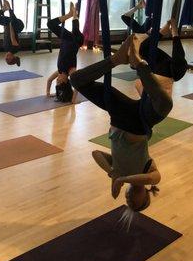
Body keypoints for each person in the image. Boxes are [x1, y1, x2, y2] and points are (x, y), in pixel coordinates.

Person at [70, 36, 173, 223]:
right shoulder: (147, 173)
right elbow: (153, 178)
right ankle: (139, 65)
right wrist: (120, 179)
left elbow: (96, 154)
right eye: (136, 203)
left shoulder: (118, 170)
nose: (129, 200)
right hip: (141, 121)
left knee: (76, 80)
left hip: (118, 116)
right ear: (146, 198)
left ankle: (115, 60)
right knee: (165, 104)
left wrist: (113, 173)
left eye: (127, 202)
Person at [120, 0, 188, 88]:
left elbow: (124, 17)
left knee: (145, 50)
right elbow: (178, 56)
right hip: (173, 71)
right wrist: (173, 31)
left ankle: (145, 9)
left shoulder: (139, 34)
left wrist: (138, 7)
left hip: (165, 68)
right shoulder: (142, 37)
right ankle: (168, 28)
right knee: (145, 50)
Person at [46, 2, 84, 103]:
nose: (57, 79)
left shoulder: (59, 71)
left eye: (57, 81)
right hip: (76, 40)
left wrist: (48, 93)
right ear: (66, 81)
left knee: (50, 24)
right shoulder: (72, 71)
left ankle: (71, 14)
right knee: (75, 29)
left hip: (66, 39)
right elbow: (77, 86)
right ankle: (73, 14)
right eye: (59, 81)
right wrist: (73, 100)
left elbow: (49, 80)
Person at [0, 0, 25, 66]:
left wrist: (5, 26)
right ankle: (9, 8)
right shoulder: (15, 50)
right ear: (13, 57)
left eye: (6, 59)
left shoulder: (5, 48)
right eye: (8, 58)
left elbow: (6, 35)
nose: (6, 57)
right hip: (18, 26)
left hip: (8, 25)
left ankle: (3, 9)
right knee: (13, 23)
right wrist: (10, 24)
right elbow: (12, 36)